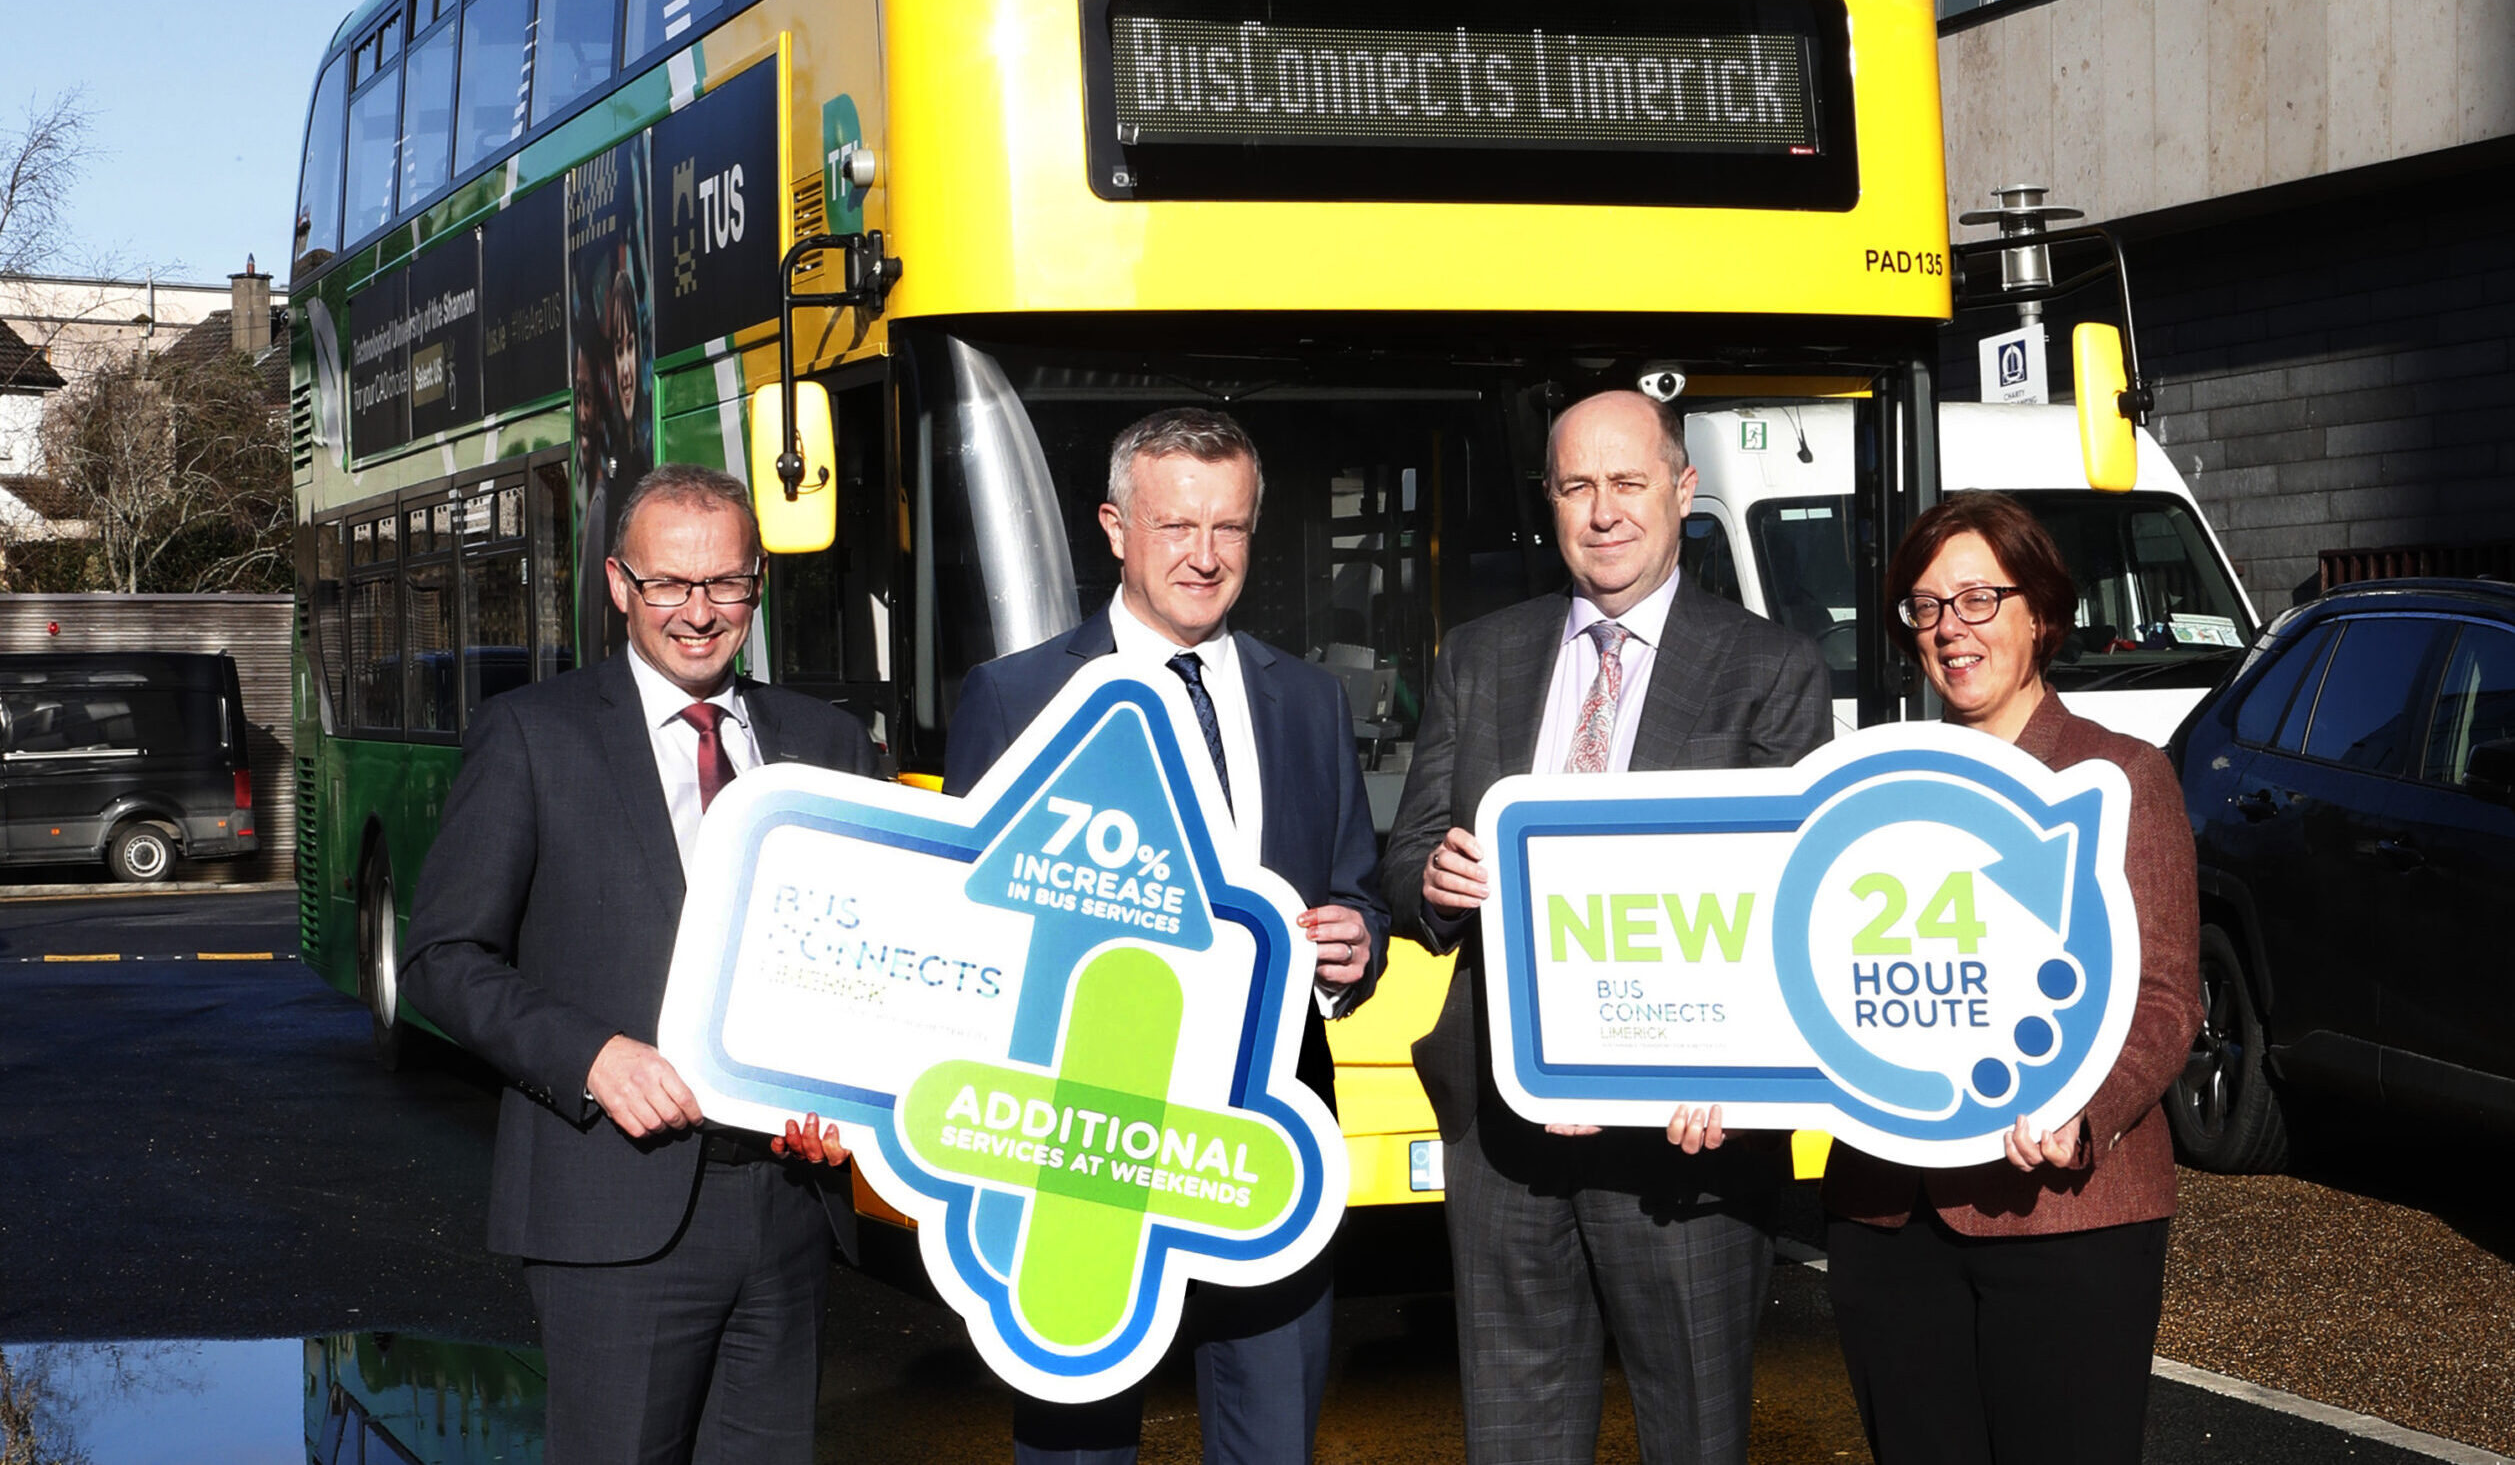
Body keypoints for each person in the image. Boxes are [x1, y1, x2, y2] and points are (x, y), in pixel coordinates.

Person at [1383, 388, 1832, 1465]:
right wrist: (1436, 881)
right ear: (1549, 501)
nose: (1603, 511)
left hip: (1686, 1142)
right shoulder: (1481, 654)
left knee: (1691, 1433)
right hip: (1504, 1128)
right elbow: (1402, 858)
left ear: (1681, 491)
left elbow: (1792, 904)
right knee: (1515, 1436)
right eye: (1577, 485)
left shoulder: (1770, 668)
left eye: (1628, 482)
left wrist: (1736, 1065)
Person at [401, 462, 876, 1465]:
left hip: (791, 1208)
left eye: (726, 584)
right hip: (615, 1208)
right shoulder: (533, 736)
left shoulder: (829, 743)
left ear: (757, 585)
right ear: (619, 583)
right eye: (669, 583)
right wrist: (589, 1057)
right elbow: (442, 958)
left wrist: (857, 1089)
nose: (698, 614)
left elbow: (871, 960)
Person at [942, 406, 1390, 1465]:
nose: (1204, 554)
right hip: (1077, 1147)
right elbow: (972, 932)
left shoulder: (1309, 700)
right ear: (1113, 527)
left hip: (1269, 1138)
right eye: (1176, 525)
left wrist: (1354, 943)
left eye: (1228, 528)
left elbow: (1354, 887)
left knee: (1272, 1438)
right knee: (1077, 1447)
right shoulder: (1015, 698)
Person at [1822, 491, 2202, 1465]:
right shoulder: (1877, 786)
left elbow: (2165, 998)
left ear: (2040, 609)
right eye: (1925, 605)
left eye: (1978, 599)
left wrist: (2085, 1105)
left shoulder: (2121, 775)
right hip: (1887, 1216)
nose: (1950, 627)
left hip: (2067, 1217)